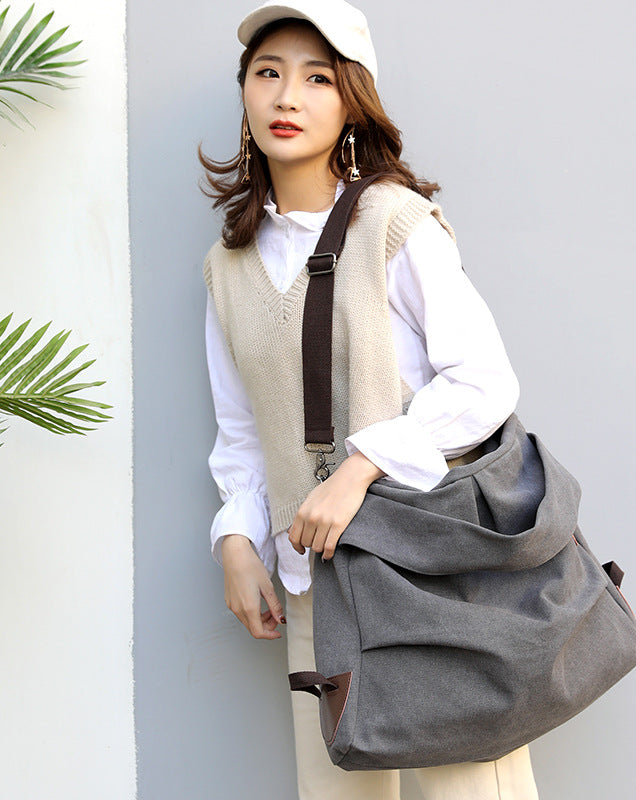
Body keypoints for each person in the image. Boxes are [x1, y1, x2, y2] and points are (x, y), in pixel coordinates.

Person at [201, 1, 540, 797]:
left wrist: (357, 470)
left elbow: (483, 382)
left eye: (318, 78)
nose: (288, 96)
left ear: (353, 101)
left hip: (422, 572)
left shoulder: (393, 223)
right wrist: (236, 540)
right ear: (246, 94)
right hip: (315, 586)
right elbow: (243, 431)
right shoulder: (228, 265)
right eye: (268, 73)